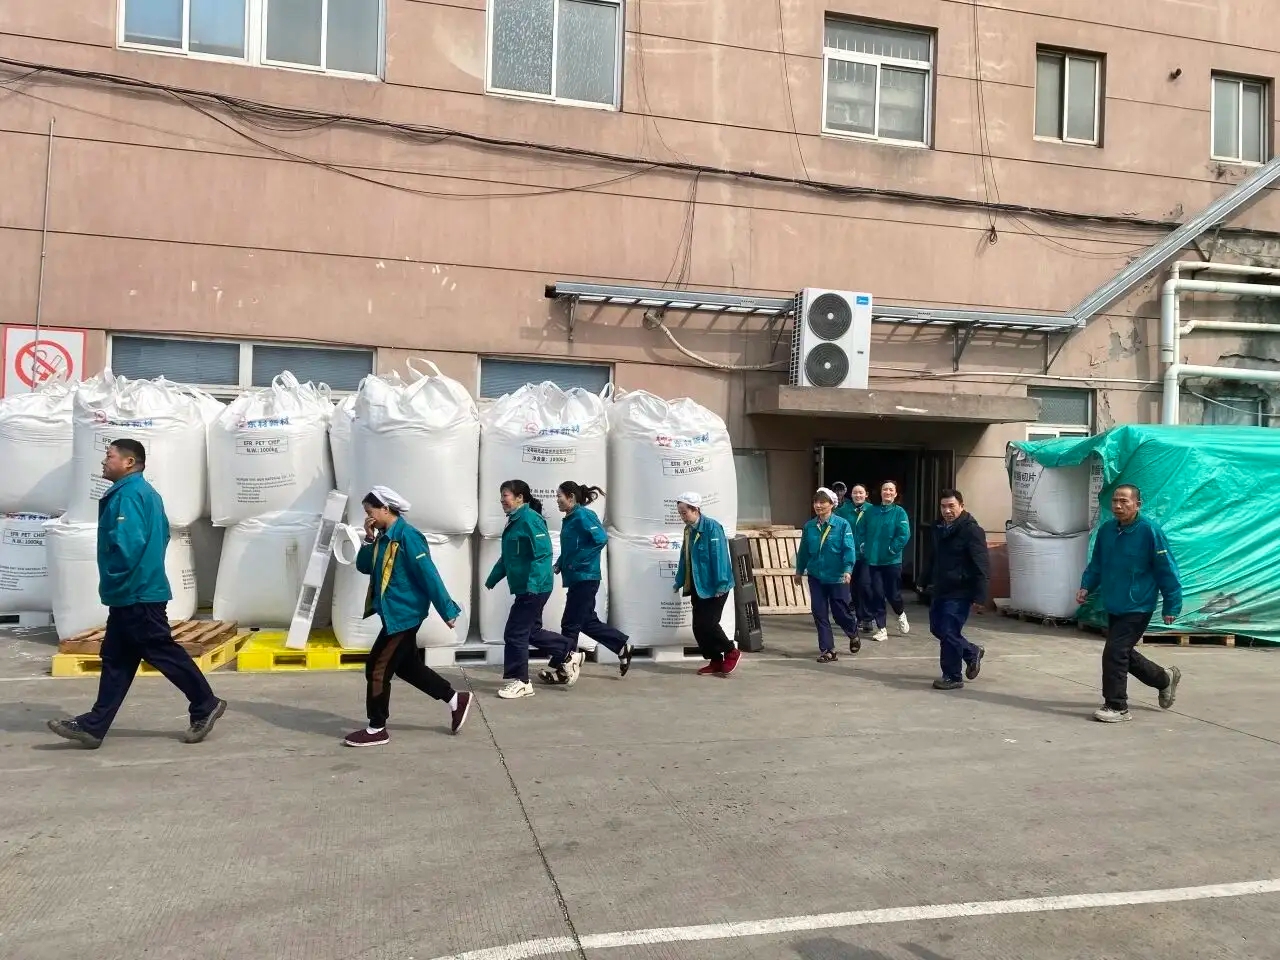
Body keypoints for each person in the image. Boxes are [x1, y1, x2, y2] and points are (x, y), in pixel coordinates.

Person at [47, 439, 227, 749]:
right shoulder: (143, 493)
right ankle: (94, 726)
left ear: (129, 462)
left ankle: (205, 703)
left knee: (159, 650)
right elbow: (158, 538)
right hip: (134, 591)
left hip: (136, 591)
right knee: (117, 659)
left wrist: (117, 580)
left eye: (109, 456)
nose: (104, 461)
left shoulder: (129, 495)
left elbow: (128, 546)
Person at [343, 487, 472, 747]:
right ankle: (455, 699)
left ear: (385, 509)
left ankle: (377, 727)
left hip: (404, 615)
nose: (368, 517)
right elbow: (364, 566)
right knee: (407, 667)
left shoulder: (408, 537)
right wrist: (369, 538)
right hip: (392, 613)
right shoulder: (383, 537)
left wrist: (447, 611)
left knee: (377, 669)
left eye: (370, 511)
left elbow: (428, 574)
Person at [1076, 484, 1183, 723]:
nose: (1118, 505)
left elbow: (1167, 569)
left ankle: (1117, 706)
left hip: (1139, 605)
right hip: (1114, 602)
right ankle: (1164, 678)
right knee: (1121, 652)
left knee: (1114, 652)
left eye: (1124, 501)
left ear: (1137, 504)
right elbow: (1097, 564)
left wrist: (1172, 604)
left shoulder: (1150, 531)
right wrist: (1086, 586)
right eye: (1115, 501)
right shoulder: (1107, 531)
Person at [485, 479, 578, 699]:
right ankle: (567, 651)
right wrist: (492, 579)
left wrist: (533, 585)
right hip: (526, 587)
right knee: (531, 632)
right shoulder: (514, 520)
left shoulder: (530, 519)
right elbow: (508, 557)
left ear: (520, 498)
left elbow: (543, 554)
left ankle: (522, 682)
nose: (502, 500)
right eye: (501, 496)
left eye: (506, 495)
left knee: (515, 632)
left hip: (535, 587)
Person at [552, 481, 634, 681]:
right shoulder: (570, 518)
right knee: (585, 621)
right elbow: (571, 548)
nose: (557, 500)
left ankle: (564, 669)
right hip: (577, 577)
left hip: (586, 577)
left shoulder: (583, 515)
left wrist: (578, 562)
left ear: (571, 497)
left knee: (570, 624)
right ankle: (621, 645)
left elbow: (601, 538)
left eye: (559, 496)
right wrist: (560, 564)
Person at [919, 489, 989, 690]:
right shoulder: (939, 528)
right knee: (937, 628)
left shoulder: (972, 531)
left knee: (949, 630)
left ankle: (952, 676)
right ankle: (971, 651)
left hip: (961, 590)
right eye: (943, 506)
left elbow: (981, 564)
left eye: (951, 506)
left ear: (961, 506)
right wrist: (923, 579)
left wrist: (980, 596)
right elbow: (933, 557)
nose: (947, 511)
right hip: (941, 588)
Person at [672, 492, 739, 676]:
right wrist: (679, 580)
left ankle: (731, 652)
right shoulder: (688, 530)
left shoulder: (712, 528)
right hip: (697, 584)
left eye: (684, 512)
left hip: (715, 585)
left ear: (695, 510)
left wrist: (721, 583)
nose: (682, 516)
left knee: (709, 624)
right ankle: (715, 660)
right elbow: (685, 557)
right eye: (680, 512)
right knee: (698, 627)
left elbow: (719, 557)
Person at [793, 488, 859, 662]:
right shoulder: (809, 526)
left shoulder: (842, 525)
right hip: (816, 576)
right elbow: (804, 551)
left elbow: (849, 548)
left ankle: (853, 632)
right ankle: (828, 650)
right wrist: (799, 571)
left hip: (837, 577)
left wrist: (848, 569)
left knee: (840, 612)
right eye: (816, 502)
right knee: (819, 612)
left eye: (822, 502)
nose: (818, 505)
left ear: (831, 504)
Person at [863, 480, 912, 642]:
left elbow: (904, 534)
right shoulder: (871, 511)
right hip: (873, 560)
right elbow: (862, 530)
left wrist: (892, 549)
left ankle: (900, 613)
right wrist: (864, 546)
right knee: (876, 593)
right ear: (881, 492)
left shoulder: (899, 512)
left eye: (891, 490)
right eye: (885, 489)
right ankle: (881, 628)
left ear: (896, 494)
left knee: (893, 594)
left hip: (892, 561)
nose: (888, 492)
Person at [843, 483, 874, 636]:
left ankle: (868, 617)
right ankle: (860, 616)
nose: (858, 495)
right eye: (855, 492)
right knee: (854, 587)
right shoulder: (844, 511)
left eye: (861, 492)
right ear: (851, 495)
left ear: (866, 494)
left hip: (866, 556)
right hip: (850, 554)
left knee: (865, 585)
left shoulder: (873, 510)